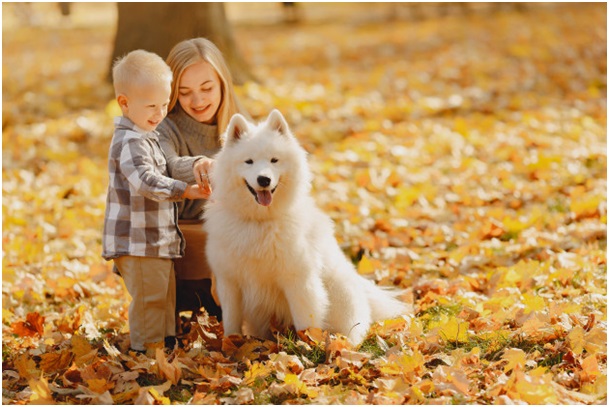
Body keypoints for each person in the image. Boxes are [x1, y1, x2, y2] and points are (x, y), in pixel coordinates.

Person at [102, 49, 210, 353]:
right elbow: (146, 181)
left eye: (164, 104)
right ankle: (146, 350)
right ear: (124, 103)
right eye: (151, 105)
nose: (160, 113)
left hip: (155, 240)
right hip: (137, 241)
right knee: (150, 298)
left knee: (164, 296)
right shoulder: (130, 141)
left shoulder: (146, 134)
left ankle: (164, 343)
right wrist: (185, 190)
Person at [157, 38, 248, 325]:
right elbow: (167, 164)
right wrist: (199, 164)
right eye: (185, 93)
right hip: (185, 225)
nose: (198, 101)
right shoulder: (165, 127)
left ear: (222, 83)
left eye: (207, 89)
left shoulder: (238, 123)